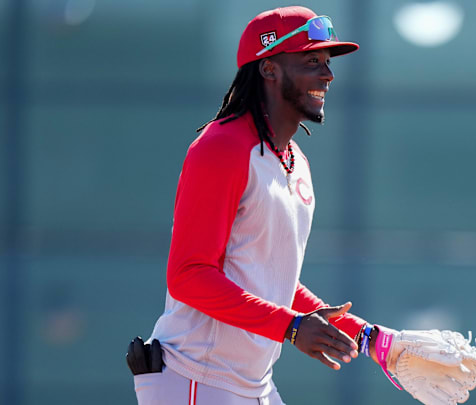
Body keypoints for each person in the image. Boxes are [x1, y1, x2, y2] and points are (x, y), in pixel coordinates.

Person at [129, 6, 388, 405]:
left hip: (252, 385)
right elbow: (189, 273)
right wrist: (291, 327)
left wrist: (372, 340)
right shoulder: (222, 147)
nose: (328, 74)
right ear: (269, 68)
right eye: (311, 61)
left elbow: (269, 275)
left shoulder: (295, 161)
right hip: (195, 379)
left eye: (326, 62)